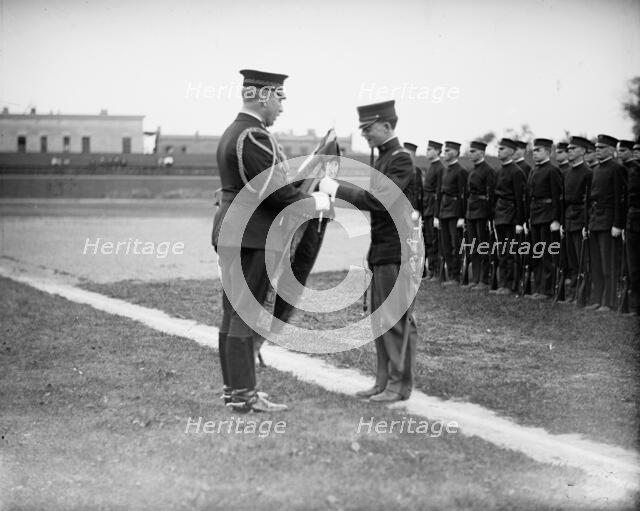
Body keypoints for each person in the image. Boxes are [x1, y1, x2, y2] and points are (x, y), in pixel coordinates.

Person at [211, 69, 331, 412]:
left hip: (237, 232)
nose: (281, 106)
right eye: (279, 97)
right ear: (262, 95)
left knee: (234, 313)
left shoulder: (236, 132)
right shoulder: (253, 136)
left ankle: (236, 393)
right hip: (250, 235)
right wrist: (316, 203)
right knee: (244, 314)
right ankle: (244, 395)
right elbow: (276, 192)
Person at [319, 100, 418, 403]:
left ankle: (399, 386)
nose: (364, 135)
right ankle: (383, 381)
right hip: (382, 250)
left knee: (394, 318)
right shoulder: (384, 159)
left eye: (368, 128)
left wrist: (336, 188)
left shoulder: (400, 160)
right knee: (379, 319)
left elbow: (378, 202)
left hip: (396, 251)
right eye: (362, 129)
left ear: (387, 126)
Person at [585, 134, 625, 311]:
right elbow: (590, 199)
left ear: (611, 149)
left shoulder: (617, 169)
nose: (597, 150)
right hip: (595, 220)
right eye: (596, 148)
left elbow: (620, 198)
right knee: (596, 263)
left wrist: (617, 224)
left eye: (601, 148)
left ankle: (609, 302)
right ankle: (597, 299)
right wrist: (588, 224)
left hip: (609, 222)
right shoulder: (595, 170)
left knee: (608, 263)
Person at [526, 138, 563, 299]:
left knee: (547, 254)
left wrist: (556, 219)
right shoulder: (534, 170)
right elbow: (530, 196)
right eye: (534, 150)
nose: (535, 153)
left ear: (548, 152)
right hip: (535, 215)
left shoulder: (553, 170)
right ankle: (538, 288)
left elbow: (558, 197)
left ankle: (547, 290)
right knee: (536, 254)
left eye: (538, 150)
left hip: (548, 215)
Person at [492, 138, 526, 294]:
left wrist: (520, 221)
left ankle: (511, 285)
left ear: (511, 151)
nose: (499, 151)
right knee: (502, 252)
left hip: (511, 215)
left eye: (503, 149)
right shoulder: (499, 171)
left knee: (511, 251)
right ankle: (503, 284)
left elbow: (520, 198)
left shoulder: (517, 172)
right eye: (499, 148)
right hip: (500, 214)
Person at [564, 136, 592, 301]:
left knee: (583, 259)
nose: (569, 151)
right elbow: (564, 200)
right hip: (568, 219)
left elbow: (589, 201)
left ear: (582, 151)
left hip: (581, 219)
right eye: (568, 149)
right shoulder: (567, 172)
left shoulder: (588, 172)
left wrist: (585, 224)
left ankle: (584, 294)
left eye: (573, 149)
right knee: (572, 260)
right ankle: (574, 293)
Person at [464, 140, 495, 290]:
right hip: (471, 212)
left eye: (473, 151)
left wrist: (490, 216)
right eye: (470, 151)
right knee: (473, 246)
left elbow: (491, 195)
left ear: (481, 153)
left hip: (482, 211)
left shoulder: (488, 170)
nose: (470, 153)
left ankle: (484, 280)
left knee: (483, 246)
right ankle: (475, 279)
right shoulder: (472, 170)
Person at [435, 141, 467, 285]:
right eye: (444, 151)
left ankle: (456, 275)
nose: (444, 153)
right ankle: (449, 275)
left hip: (454, 212)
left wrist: (461, 216)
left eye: (448, 150)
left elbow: (463, 195)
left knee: (455, 244)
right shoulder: (444, 171)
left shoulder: (461, 171)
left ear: (456, 152)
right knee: (445, 245)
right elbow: (439, 194)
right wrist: (437, 214)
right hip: (444, 211)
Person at [422, 141, 444, 279]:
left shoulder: (440, 168)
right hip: (427, 208)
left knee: (435, 241)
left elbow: (439, 193)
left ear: (437, 151)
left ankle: (436, 271)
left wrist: (436, 215)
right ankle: (431, 270)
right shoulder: (431, 167)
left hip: (433, 208)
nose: (427, 152)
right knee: (428, 240)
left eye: (430, 149)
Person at [403, 142, 424, 213]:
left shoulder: (417, 171)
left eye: (409, 154)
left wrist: (417, 209)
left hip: (412, 208)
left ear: (413, 156)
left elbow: (418, 191)